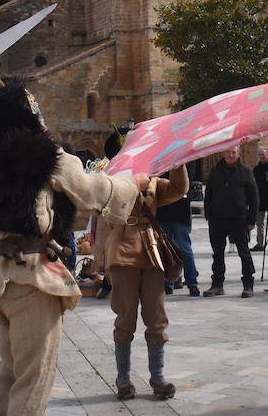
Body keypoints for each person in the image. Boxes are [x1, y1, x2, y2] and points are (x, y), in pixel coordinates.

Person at [0, 74, 145, 416]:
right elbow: (93, 192)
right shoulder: (46, 155)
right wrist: (133, 183)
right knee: (34, 376)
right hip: (31, 279)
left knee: (10, 369)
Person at [95, 165, 189, 401]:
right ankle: (123, 380)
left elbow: (179, 188)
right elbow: (103, 217)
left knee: (157, 317)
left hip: (151, 252)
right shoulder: (112, 179)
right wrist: (100, 257)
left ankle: (157, 378)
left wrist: (179, 162)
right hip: (121, 252)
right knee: (125, 317)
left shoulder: (154, 181)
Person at [202, 144, 258, 298]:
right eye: (227, 152)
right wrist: (208, 215)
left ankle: (248, 284)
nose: (230, 155)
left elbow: (254, 198)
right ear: (223, 152)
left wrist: (251, 220)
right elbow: (208, 194)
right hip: (217, 219)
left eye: (233, 152)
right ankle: (217, 284)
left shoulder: (246, 172)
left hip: (239, 219)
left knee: (244, 253)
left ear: (238, 154)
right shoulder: (215, 171)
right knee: (217, 253)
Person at [155, 192, 200, 296]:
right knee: (168, 249)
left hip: (177, 213)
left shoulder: (159, 176)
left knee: (182, 249)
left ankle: (190, 282)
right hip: (166, 213)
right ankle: (170, 282)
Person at [250, 147, 268, 252]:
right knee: (259, 223)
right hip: (260, 199)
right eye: (260, 155)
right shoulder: (256, 169)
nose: (261, 156)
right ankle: (260, 243)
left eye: (263, 154)